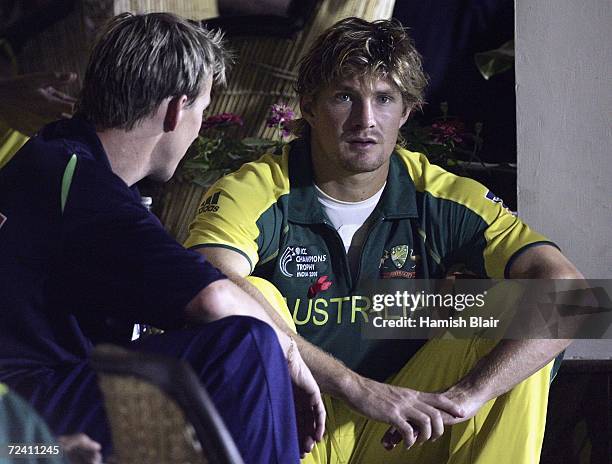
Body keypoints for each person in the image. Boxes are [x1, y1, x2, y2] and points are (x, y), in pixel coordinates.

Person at [185, 17, 584, 463]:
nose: (365, 120)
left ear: (407, 111)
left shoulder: (441, 196)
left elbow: (573, 297)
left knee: (514, 305)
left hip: (405, 428)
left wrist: (468, 397)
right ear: (309, 107)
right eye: (344, 97)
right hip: (298, 427)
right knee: (248, 295)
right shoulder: (256, 189)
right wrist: (358, 390)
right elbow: (206, 281)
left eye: (384, 98)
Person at [0, 12, 325, 463]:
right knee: (247, 344)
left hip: (35, 399)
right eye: (203, 110)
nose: (198, 128)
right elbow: (213, 301)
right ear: (176, 109)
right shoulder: (84, 188)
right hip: (18, 423)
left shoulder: (57, 158)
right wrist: (290, 356)